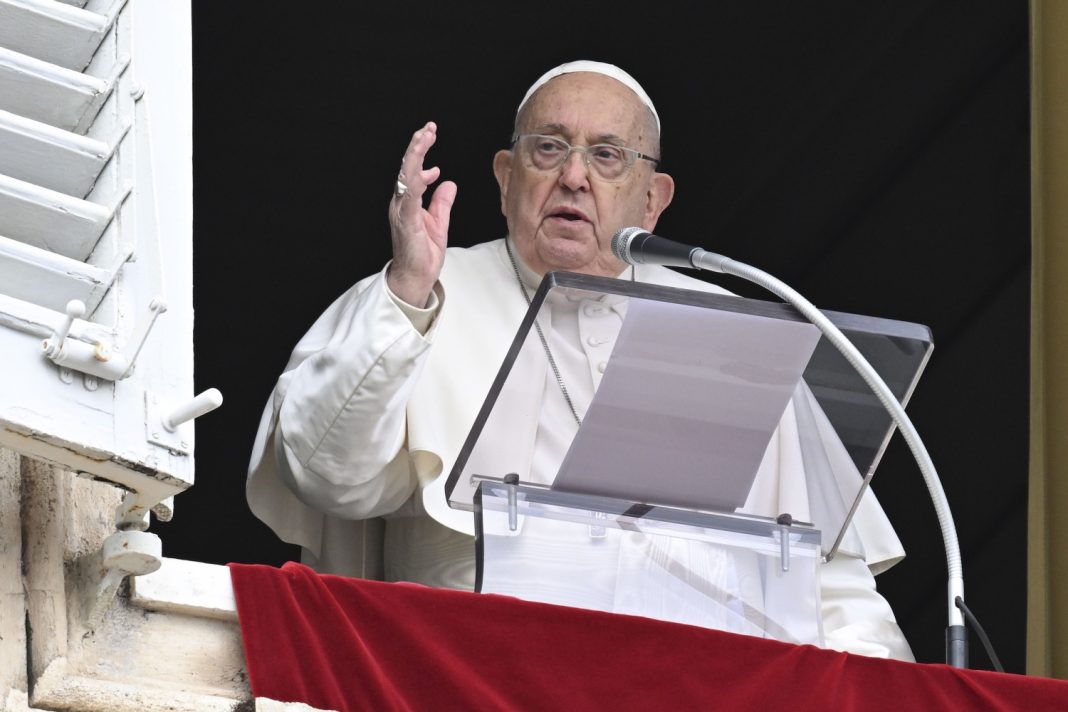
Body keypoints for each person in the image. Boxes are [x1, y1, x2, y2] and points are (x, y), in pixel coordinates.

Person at [247, 60, 914, 660]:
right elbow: (324, 476)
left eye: (608, 156)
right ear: (506, 179)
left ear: (652, 200)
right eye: (549, 148)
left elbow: (833, 587)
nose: (573, 176)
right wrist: (406, 298)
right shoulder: (421, 290)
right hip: (473, 679)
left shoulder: (731, 333)